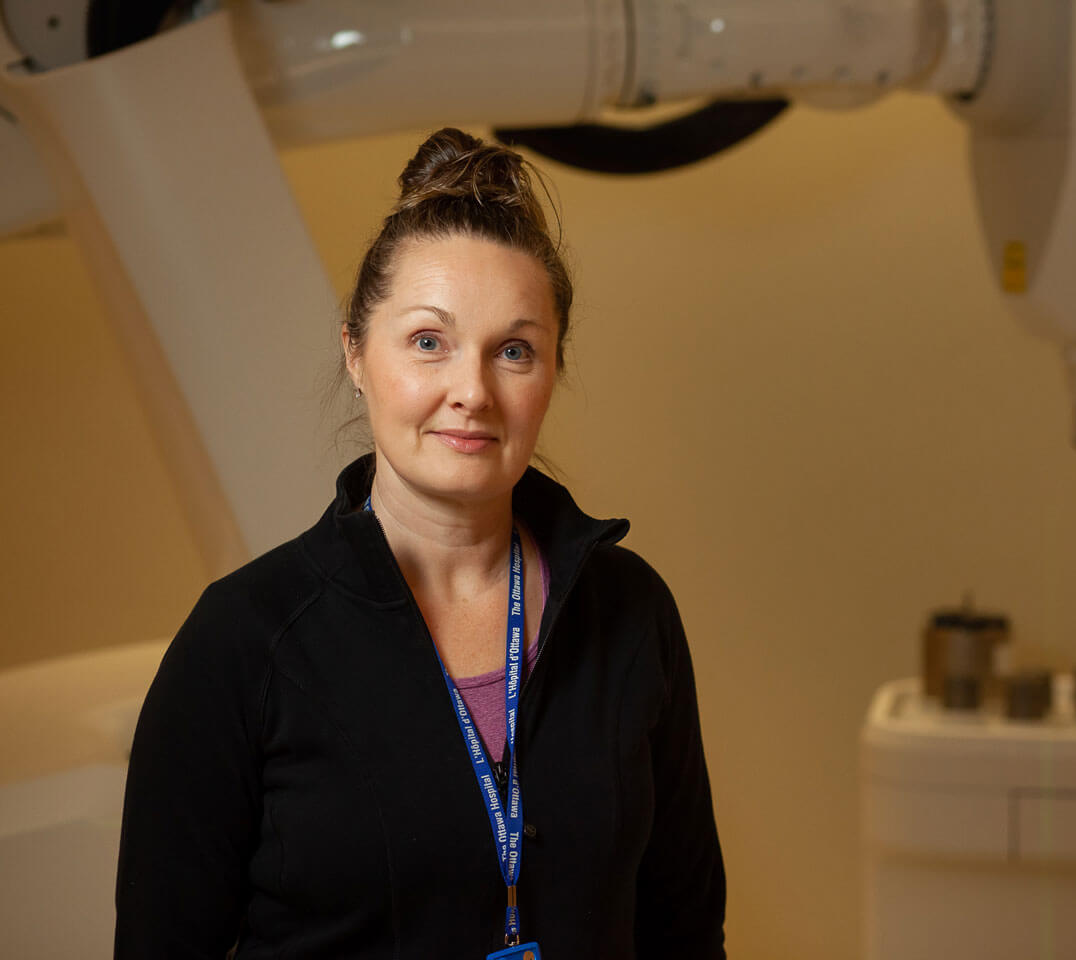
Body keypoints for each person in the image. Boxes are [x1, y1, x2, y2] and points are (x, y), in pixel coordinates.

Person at [114, 128, 726, 959]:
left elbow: (684, 931)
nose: (470, 392)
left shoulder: (630, 611)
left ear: (551, 372)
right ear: (356, 354)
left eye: (514, 350)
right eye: (429, 342)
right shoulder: (241, 642)